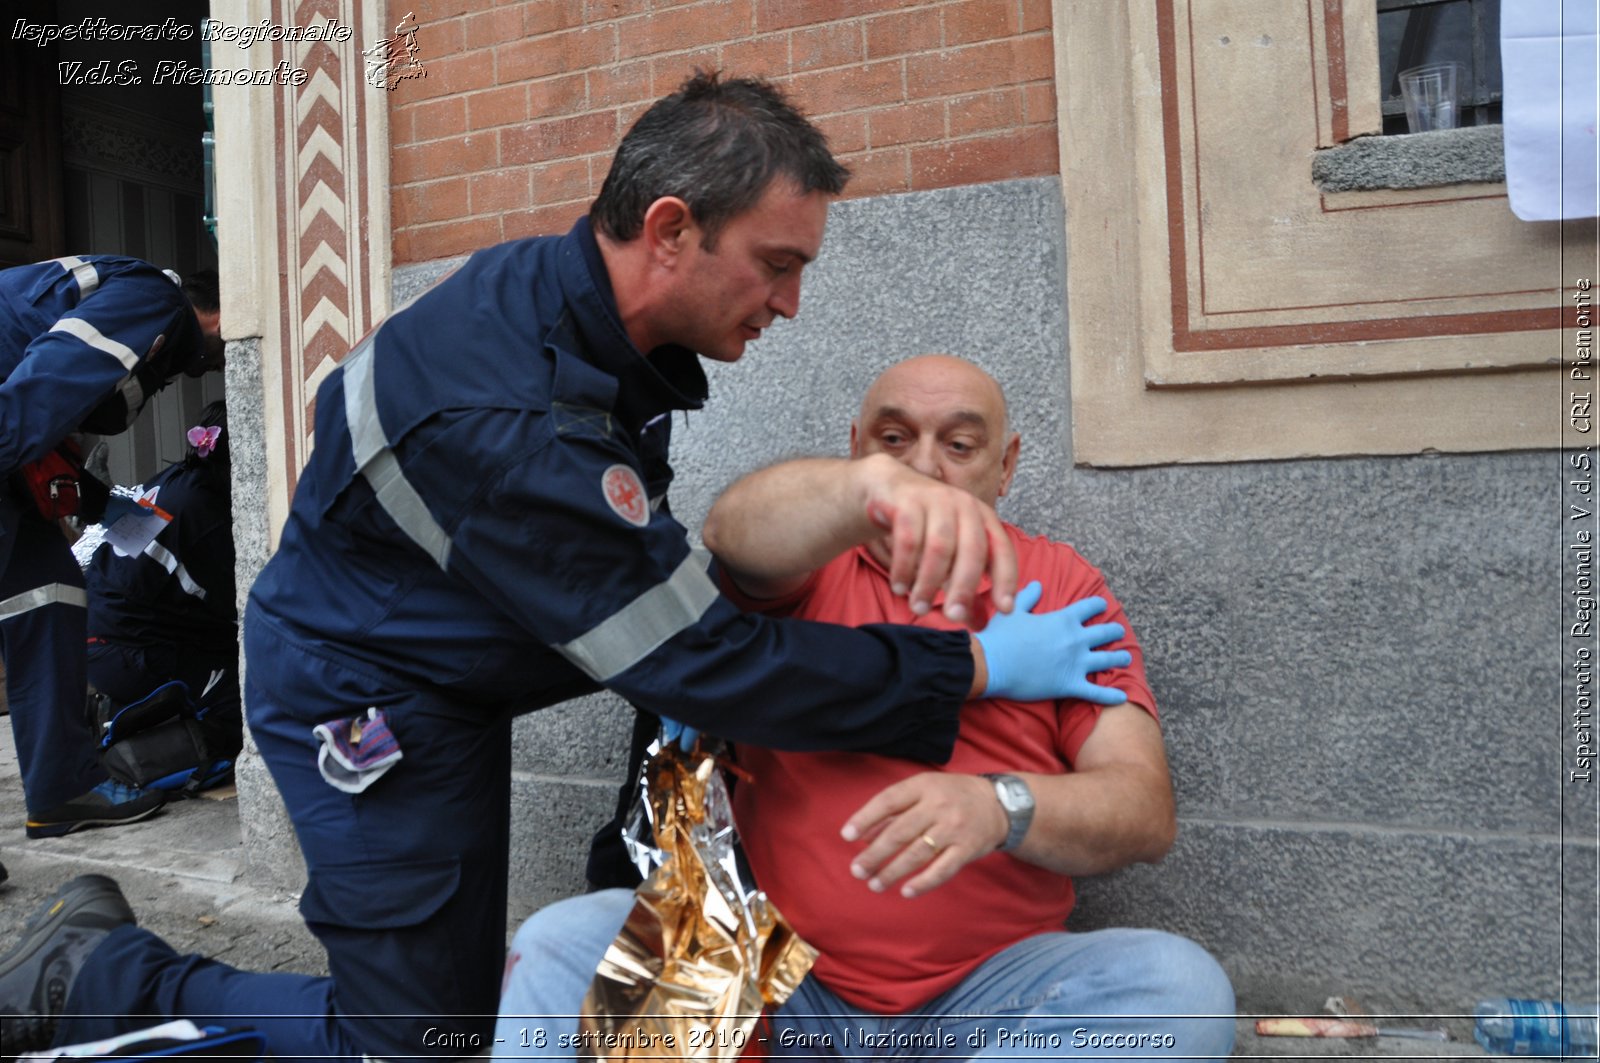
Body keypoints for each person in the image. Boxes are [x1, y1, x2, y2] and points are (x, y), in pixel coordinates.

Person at [0, 74, 1138, 1061]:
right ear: (673, 227)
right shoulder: (510, 416)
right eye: (777, 264)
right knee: (418, 1039)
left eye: (961, 444)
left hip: (442, 663)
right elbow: (704, 656)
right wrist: (971, 664)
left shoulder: (570, 308)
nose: (791, 302)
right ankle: (98, 978)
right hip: (370, 708)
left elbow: (653, 590)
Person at [495, 355, 1236, 1060]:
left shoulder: (1062, 587)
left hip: (987, 995)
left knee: (1180, 990)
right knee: (565, 943)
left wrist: (999, 806)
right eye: (892, 440)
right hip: (775, 984)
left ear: (1005, 466)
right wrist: (862, 493)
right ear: (856, 451)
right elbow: (732, 529)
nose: (922, 464)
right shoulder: (808, 565)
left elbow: (1142, 808)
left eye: (959, 444)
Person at [0, 258, 223, 839]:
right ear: (222, 313)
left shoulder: (136, 299)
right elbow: (37, 396)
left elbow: (41, 419)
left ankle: (63, 791)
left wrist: (97, 502)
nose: (210, 366)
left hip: (10, 468)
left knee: (50, 600)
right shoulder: (156, 301)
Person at [83, 400, 241, 786]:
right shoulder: (203, 514)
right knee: (250, 696)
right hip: (124, 650)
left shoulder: (174, 481)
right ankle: (132, 749)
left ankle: (128, 709)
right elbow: (239, 609)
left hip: (103, 634)